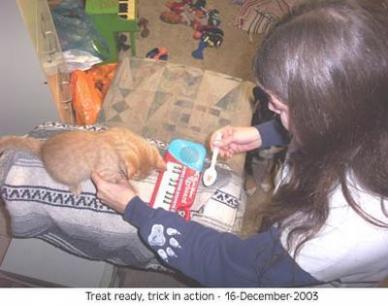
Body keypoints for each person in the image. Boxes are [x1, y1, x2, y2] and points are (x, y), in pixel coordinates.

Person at [91, 0, 388, 287]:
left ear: (321, 116)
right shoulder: (366, 106)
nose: (271, 110)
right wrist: (262, 134)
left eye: (281, 107)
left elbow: (236, 271)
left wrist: (134, 209)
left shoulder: (338, 230)